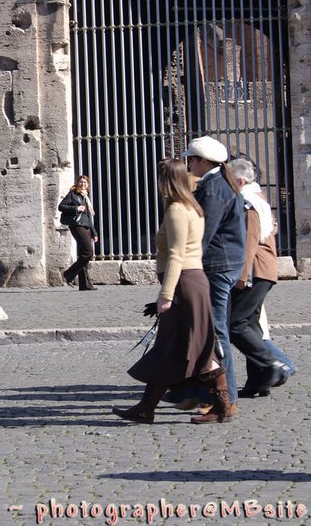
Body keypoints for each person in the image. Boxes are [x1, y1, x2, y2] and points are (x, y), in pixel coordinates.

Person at [113, 158, 229, 424]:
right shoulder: (192, 206)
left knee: (197, 348)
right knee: (173, 348)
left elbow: (176, 255)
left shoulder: (177, 209)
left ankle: (222, 405)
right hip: (192, 281)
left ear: (167, 180)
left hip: (184, 283)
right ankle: (146, 407)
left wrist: (165, 296)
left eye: (159, 177)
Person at [181, 136, 245, 414]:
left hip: (217, 266)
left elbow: (203, 234)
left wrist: (188, 266)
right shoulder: (217, 183)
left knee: (216, 333)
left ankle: (225, 398)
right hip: (225, 263)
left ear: (204, 161)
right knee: (210, 331)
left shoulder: (214, 190)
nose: (189, 164)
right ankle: (200, 392)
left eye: (192, 160)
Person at [228, 158, 292, 398]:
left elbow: (249, 242)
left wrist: (241, 276)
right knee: (251, 325)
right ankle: (258, 382)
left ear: (241, 180)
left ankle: (270, 365)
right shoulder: (259, 198)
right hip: (262, 271)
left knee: (235, 323)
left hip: (255, 271)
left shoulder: (248, 203)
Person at [58, 175, 100, 291]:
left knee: (83, 255)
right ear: (77, 183)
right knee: (88, 252)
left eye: (85, 183)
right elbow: (61, 206)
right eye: (81, 182)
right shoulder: (72, 194)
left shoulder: (86, 197)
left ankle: (85, 285)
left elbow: (88, 217)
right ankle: (68, 274)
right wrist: (76, 209)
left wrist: (94, 232)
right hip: (77, 226)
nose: (83, 184)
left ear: (87, 185)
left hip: (86, 226)